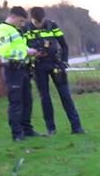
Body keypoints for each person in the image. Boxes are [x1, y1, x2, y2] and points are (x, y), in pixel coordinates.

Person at [25, 7, 84, 135]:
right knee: (45, 98)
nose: (39, 25)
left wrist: (64, 61)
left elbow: (64, 45)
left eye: (41, 22)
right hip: (38, 66)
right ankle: (51, 129)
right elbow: (23, 48)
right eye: (36, 23)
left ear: (44, 18)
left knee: (65, 96)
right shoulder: (26, 29)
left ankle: (77, 127)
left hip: (55, 64)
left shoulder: (52, 26)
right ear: (32, 19)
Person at [0, 7, 43, 141]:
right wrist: (26, 53)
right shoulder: (2, 30)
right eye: (20, 21)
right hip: (12, 69)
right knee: (16, 102)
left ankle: (27, 129)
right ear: (13, 17)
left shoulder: (15, 30)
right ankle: (17, 133)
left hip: (22, 69)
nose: (22, 24)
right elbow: (5, 52)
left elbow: (19, 47)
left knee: (27, 101)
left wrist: (30, 51)